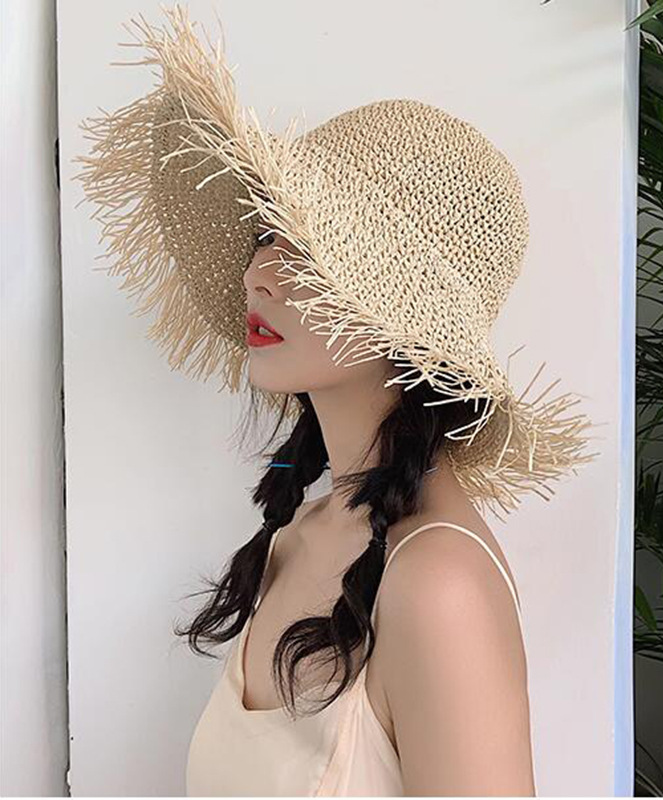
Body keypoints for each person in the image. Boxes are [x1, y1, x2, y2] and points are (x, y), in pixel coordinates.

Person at [74, 6, 597, 795]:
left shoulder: (437, 585)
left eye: (308, 247)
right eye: (267, 234)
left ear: (403, 312)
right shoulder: (299, 535)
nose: (258, 273)